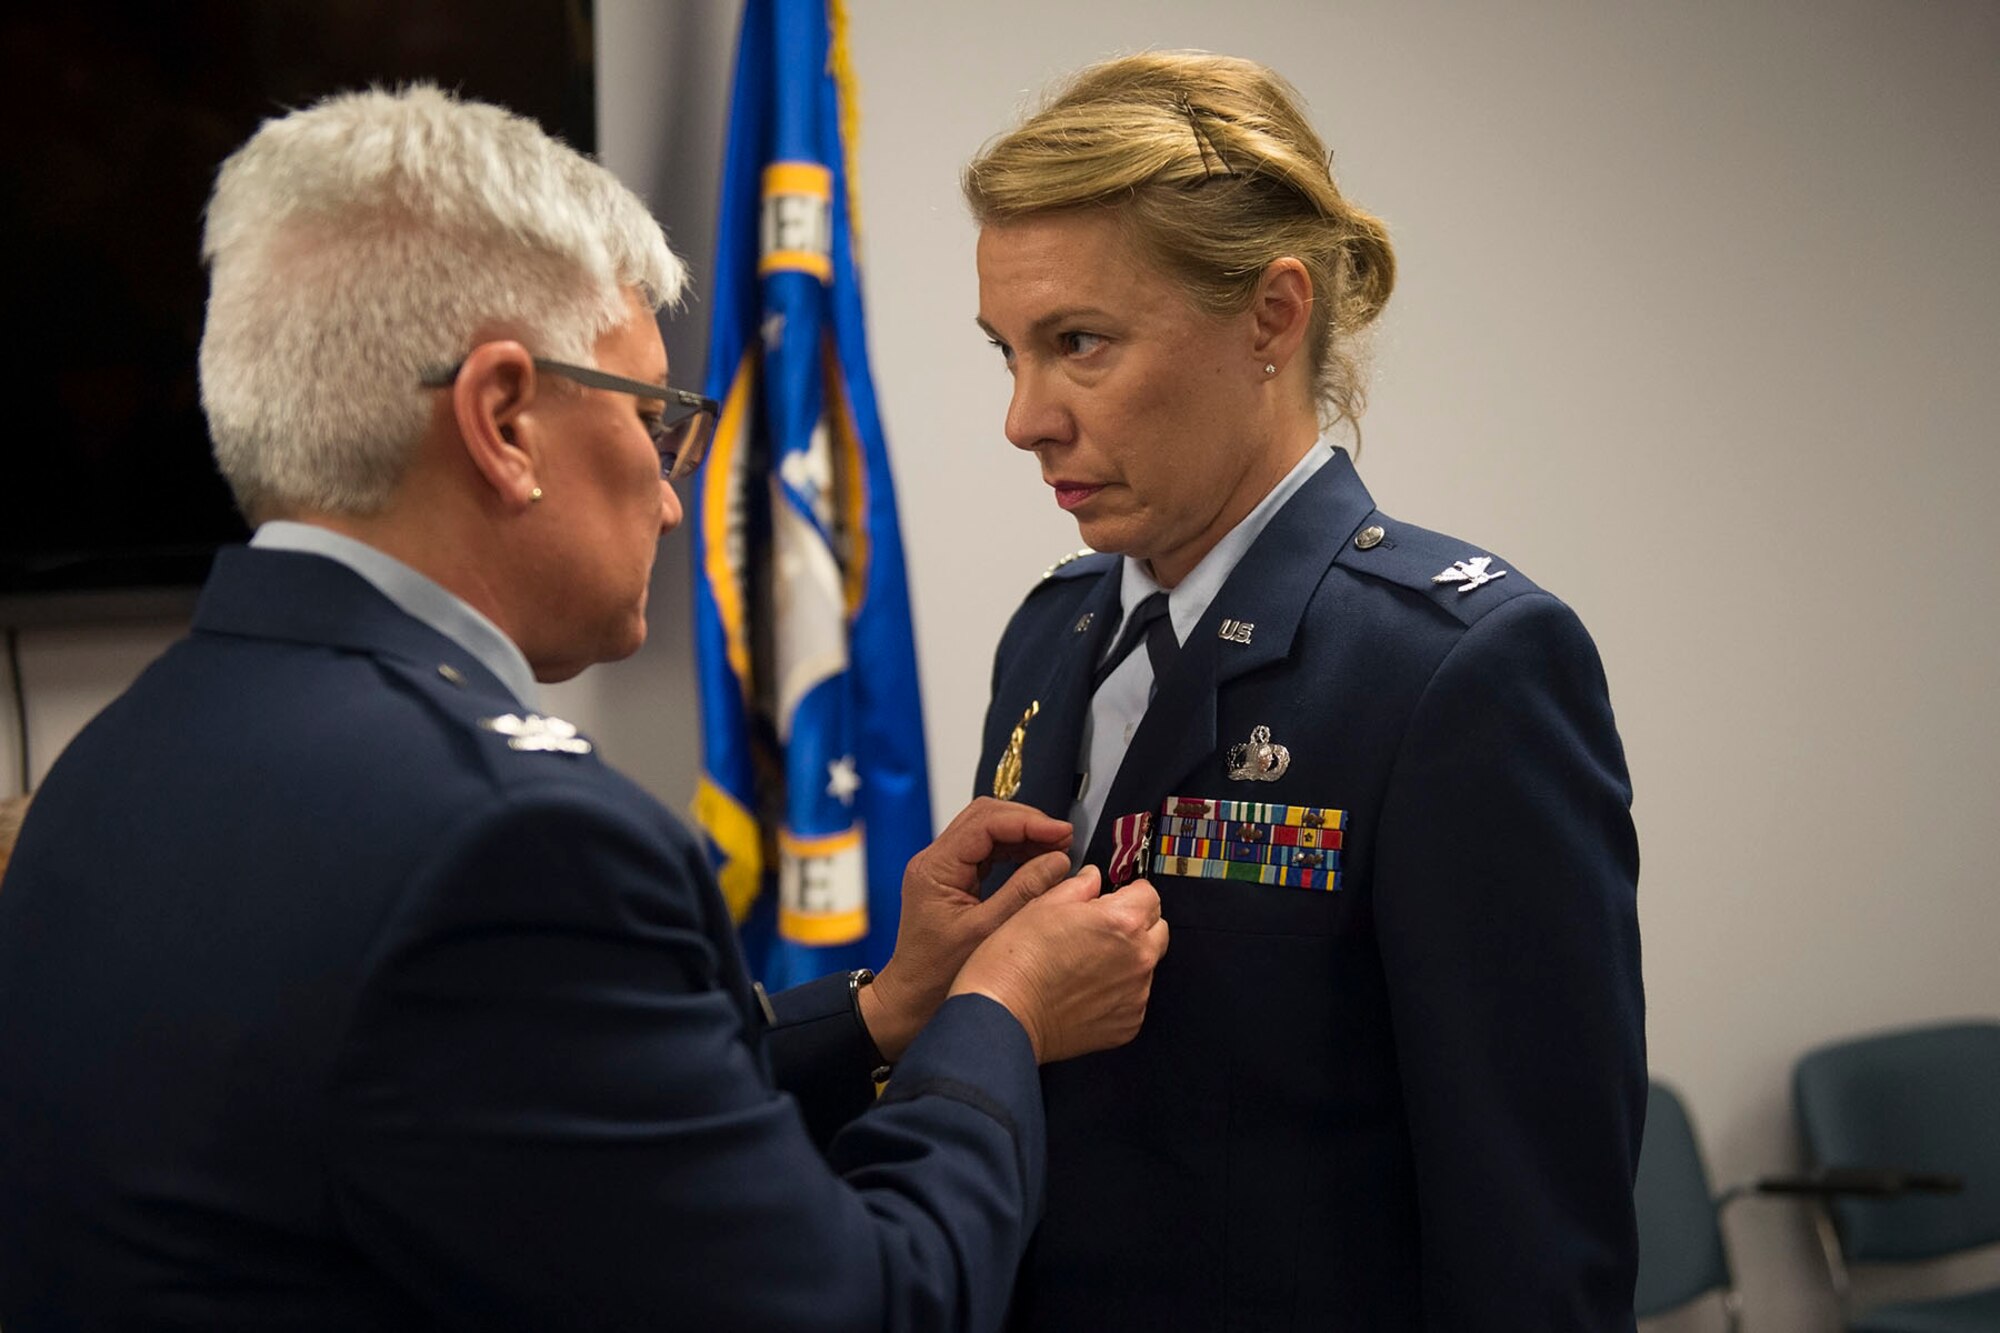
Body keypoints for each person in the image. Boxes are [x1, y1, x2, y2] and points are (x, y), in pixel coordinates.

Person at [0, 85, 1167, 1331]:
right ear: (504, 420)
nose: (674, 500)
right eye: (658, 416)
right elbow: (866, 1309)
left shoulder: (116, 758)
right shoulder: (512, 843)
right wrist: (996, 1018)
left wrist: (886, 1010)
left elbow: (523, 1123)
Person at [965, 52, 1644, 1330]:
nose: (1023, 417)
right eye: (1008, 350)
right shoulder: (1052, 637)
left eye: (1079, 345)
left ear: (1272, 317)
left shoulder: (1457, 669)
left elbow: (1531, 1241)